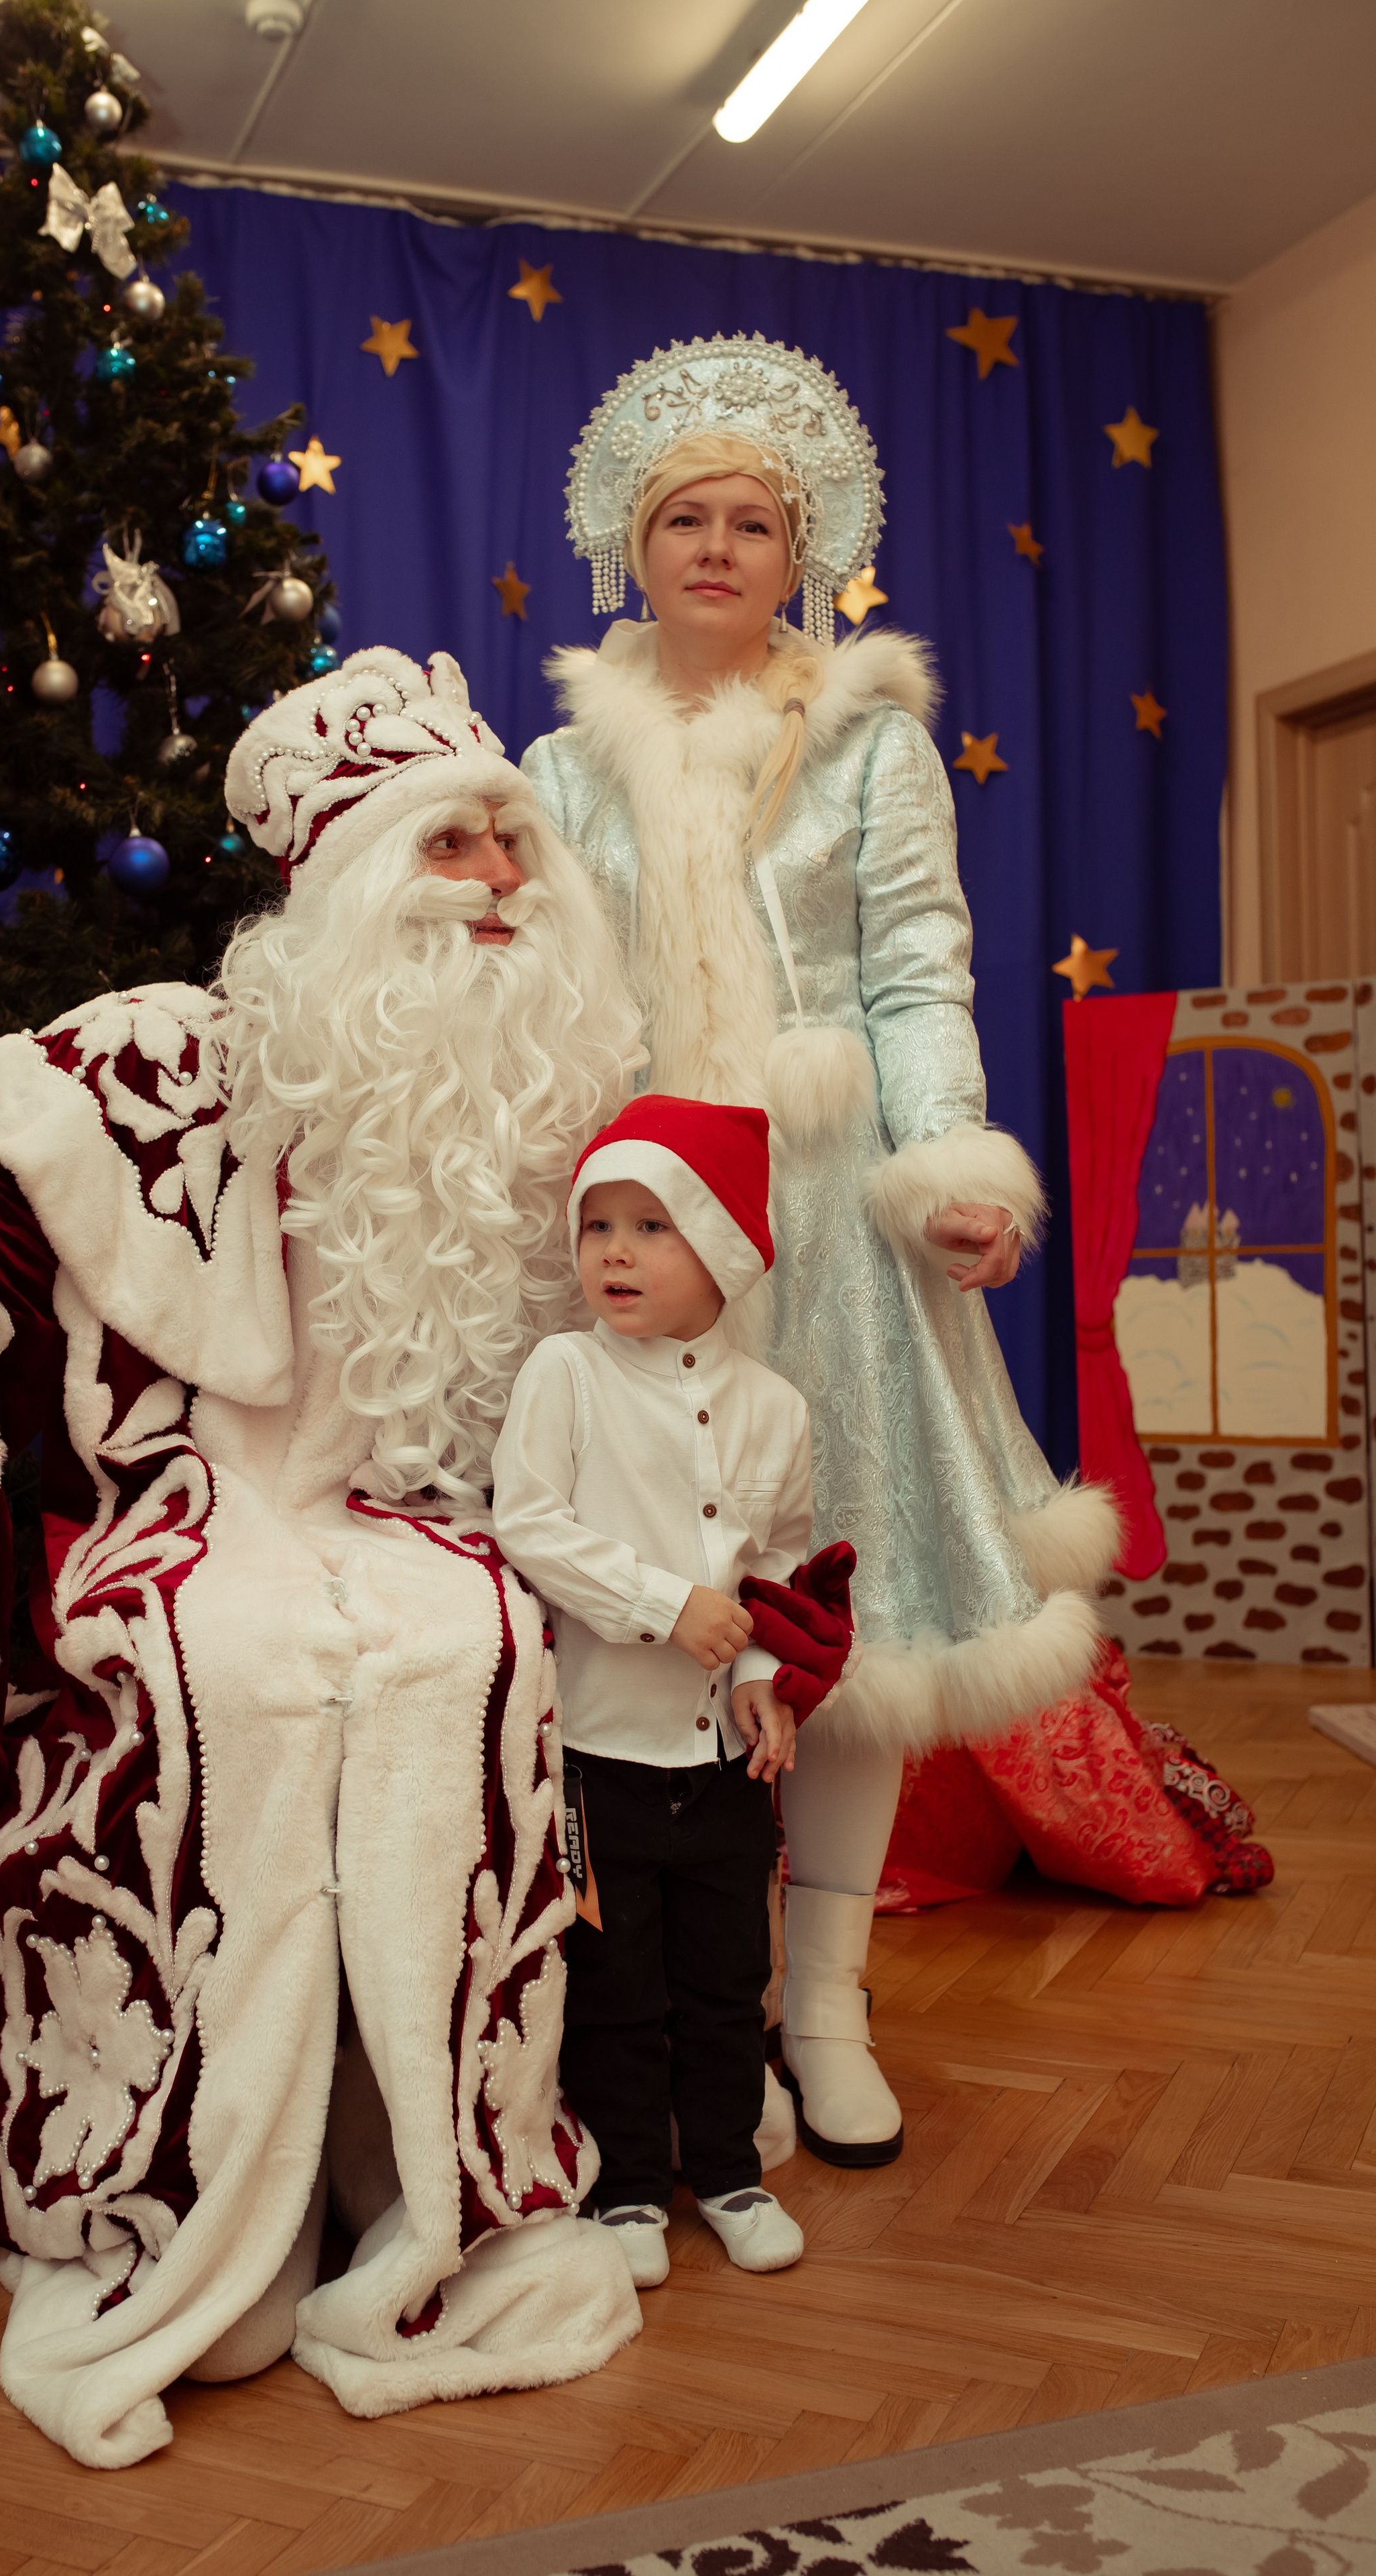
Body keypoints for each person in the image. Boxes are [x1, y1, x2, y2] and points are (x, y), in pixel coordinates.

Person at [0, 647, 647, 2469]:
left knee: (472, 1649)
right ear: (350, 881)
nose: (506, 886)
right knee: (234, 1678)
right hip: (183, 1500)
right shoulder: (161, 1060)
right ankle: (204, 2210)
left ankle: (427, 2190)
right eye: (458, 849)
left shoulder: (549, 1096)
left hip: (427, 1507)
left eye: (519, 848)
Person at [521, 336, 1119, 2171]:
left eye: (753, 521)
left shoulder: (867, 736)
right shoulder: (556, 760)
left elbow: (916, 969)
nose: (717, 546)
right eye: (684, 518)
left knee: (838, 1622)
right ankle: (654, 2008)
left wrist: (948, 1160)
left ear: (803, 549)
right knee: (629, 1604)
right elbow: (541, 996)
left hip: (834, 1222)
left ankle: (824, 2002)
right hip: (631, 1211)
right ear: (634, 542)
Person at [493, 1095, 857, 2288]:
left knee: (722, 1979)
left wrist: (759, 1671)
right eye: (598, 1223)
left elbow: (778, 1568)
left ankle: (732, 2170)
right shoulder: (568, 1373)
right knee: (615, 1983)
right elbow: (529, 1520)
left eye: (651, 1224)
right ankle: (631, 2188)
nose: (613, 1249)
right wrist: (664, 1602)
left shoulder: (779, 1409)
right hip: (603, 1754)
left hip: (727, 1764)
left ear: (724, 1247)